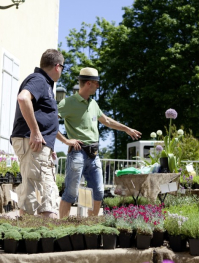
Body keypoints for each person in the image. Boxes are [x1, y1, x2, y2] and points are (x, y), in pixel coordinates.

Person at [57, 67, 142, 218]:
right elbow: (49, 121)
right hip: (77, 152)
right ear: (89, 83)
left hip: (94, 154)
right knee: (70, 193)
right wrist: (65, 140)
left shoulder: (93, 103)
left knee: (99, 193)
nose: (98, 87)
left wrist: (126, 129)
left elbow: (107, 120)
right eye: (97, 84)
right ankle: (61, 229)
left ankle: (90, 228)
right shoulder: (68, 103)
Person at [10, 49, 65, 218]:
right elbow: (23, 98)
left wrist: (48, 145)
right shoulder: (40, 80)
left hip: (37, 145)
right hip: (31, 142)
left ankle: (32, 240)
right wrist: (35, 132)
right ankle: (38, 240)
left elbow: (43, 118)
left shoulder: (44, 83)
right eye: (63, 68)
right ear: (57, 66)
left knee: (35, 193)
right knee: (43, 196)